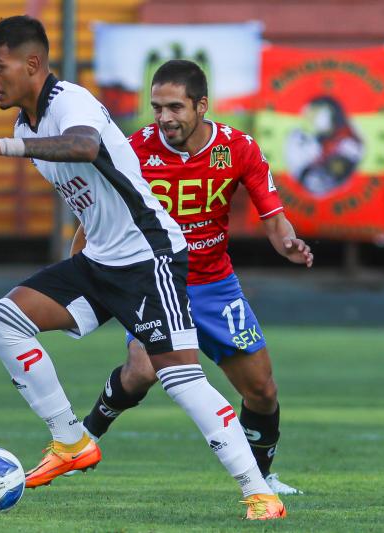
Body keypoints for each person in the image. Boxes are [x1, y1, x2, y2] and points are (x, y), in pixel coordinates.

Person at [0, 16, 286, 520]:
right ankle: (70, 440)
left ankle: (261, 494)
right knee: (3, 321)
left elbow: (85, 145)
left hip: (150, 257)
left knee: (179, 379)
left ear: (32, 64)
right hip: (98, 260)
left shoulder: (70, 102)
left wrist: (0, 147)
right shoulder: (26, 123)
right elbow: (92, 198)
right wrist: (75, 256)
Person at [76, 59, 313, 496]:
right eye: (156, 107)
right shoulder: (135, 151)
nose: (163, 118)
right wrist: (81, 275)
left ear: (201, 106)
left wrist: (289, 244)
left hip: (215, 285)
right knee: (142, 370)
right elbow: (97, 219)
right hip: (154, 282)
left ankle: (262, 479)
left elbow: (274, 218)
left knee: (261, 390)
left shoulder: (237, 148)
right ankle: (81, 440)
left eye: (174, 107)